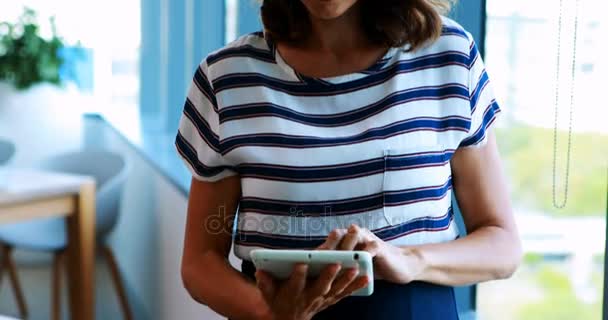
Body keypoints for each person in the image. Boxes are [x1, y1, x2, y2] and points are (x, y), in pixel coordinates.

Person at [175, 0, 522, 319]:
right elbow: (201, 261)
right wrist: (270, 314)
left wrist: (410, 260)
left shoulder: (449, 57)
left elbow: (502, 244)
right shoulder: (226, 77)